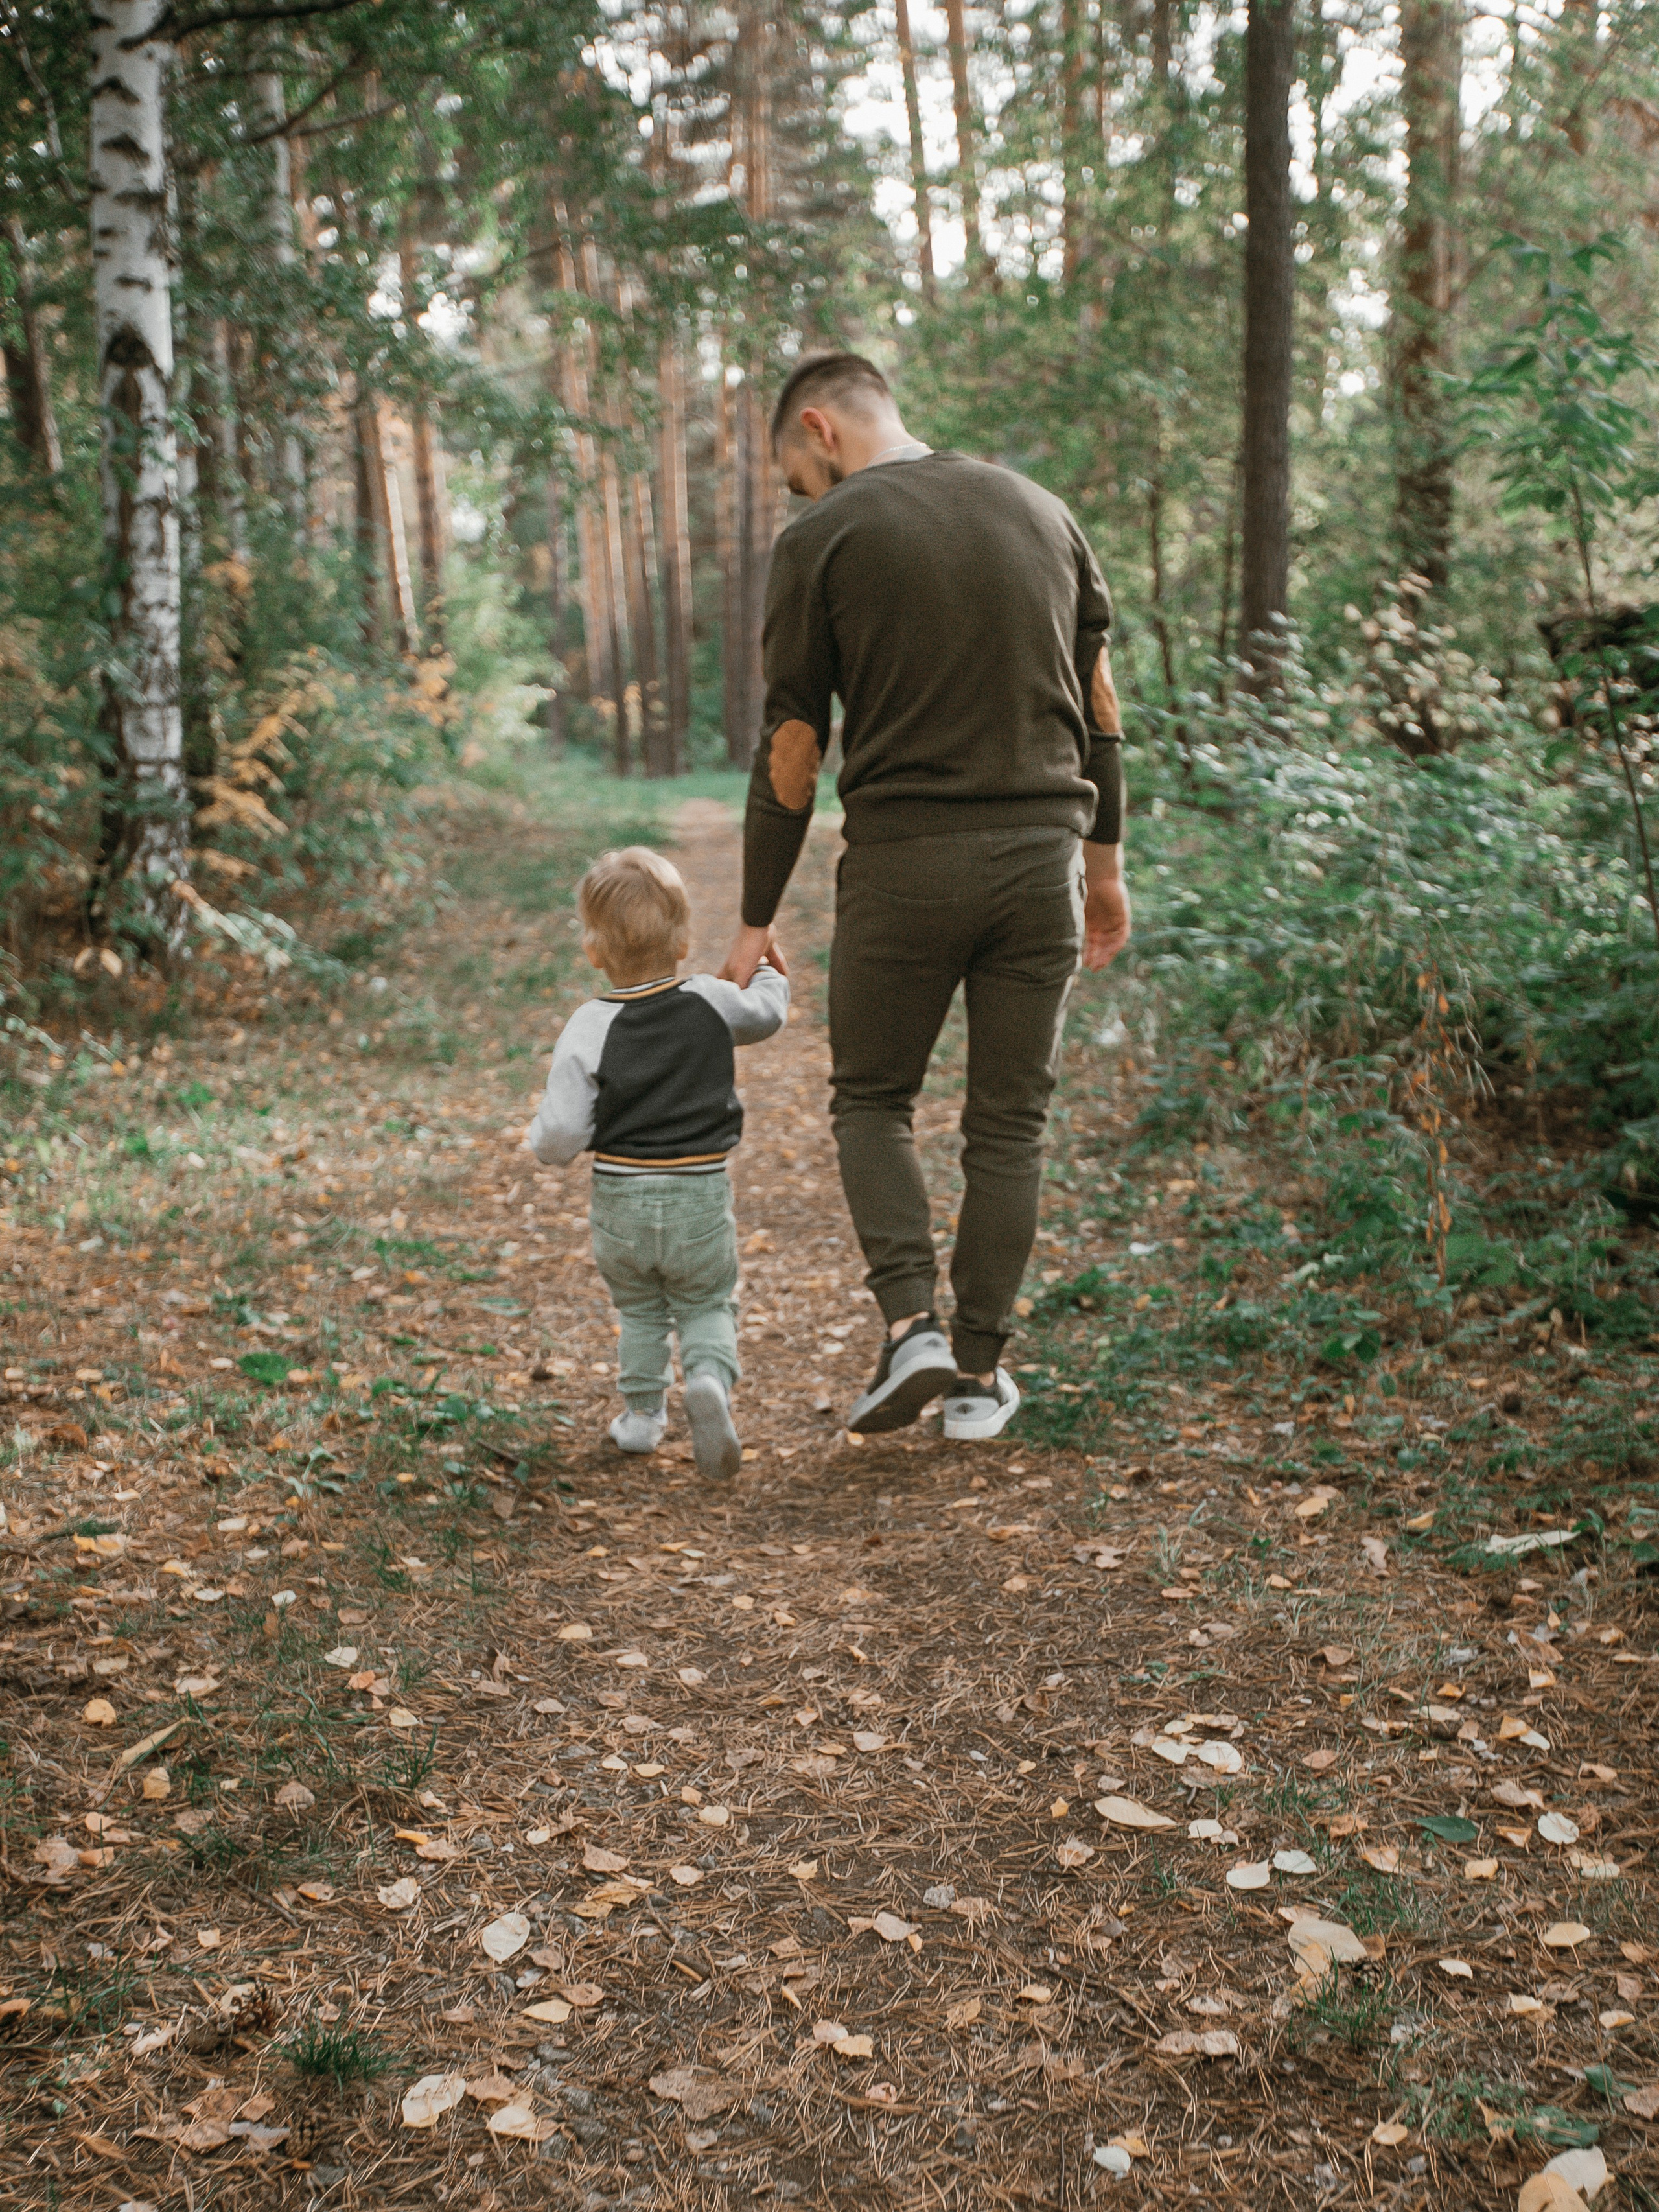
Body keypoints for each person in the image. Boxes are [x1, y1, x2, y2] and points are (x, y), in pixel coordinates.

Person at [719, 351, 1130, 1442]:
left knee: (872, 1097)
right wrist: (1105, 862)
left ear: (820, 428)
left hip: (904, 865)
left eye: (798, 473)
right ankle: (980, 1378)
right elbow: (1099, 707)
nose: (804, 496)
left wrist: (758, 910)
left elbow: (795, 737)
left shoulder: (824, 536)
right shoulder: (1045, 512)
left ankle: (914, 1326)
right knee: (1011, 1122)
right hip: (1042, 858)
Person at [528, 846, 789, 1478]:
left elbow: (560, 1132)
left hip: (620, 1203)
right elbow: (767, 1013)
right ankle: (708, 1381)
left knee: (641, 1309)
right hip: (698, 1195)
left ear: (593, 950)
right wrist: (772, 972)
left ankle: (643, 1417)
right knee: (705, 1303)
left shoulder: (589, 1026)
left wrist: (543, 1143)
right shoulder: (709, 998)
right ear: (682, 941)